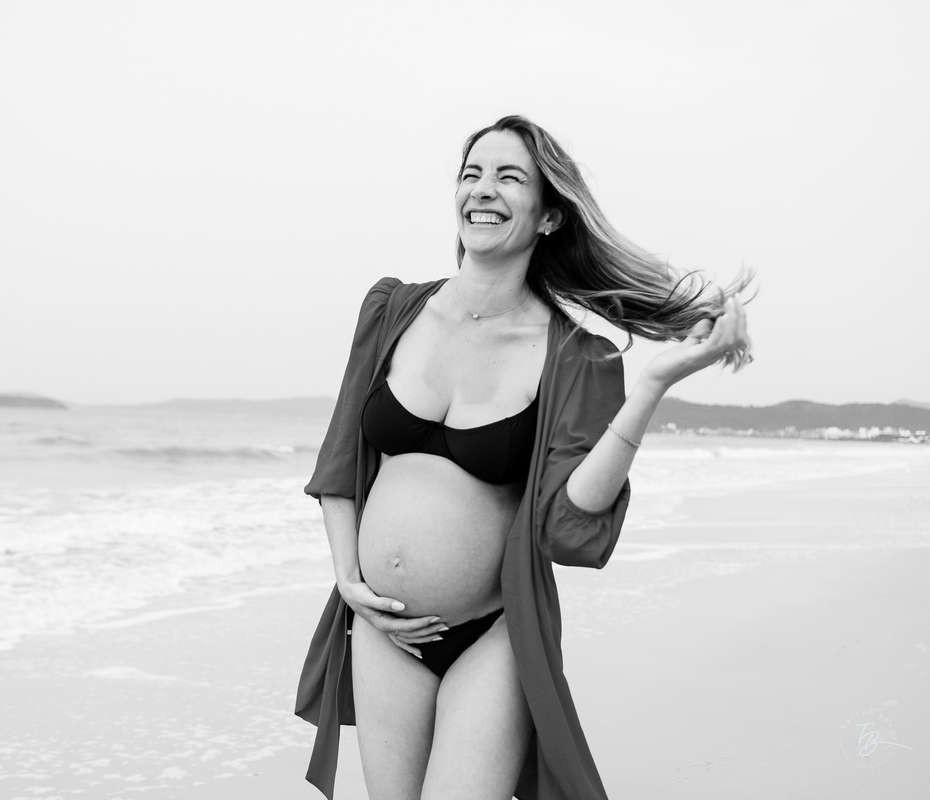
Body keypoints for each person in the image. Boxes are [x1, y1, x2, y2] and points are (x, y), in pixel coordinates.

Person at [295, 115, 752, 800]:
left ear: (546, 218)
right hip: (380, 626)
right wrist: (348, 581)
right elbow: (338, 467)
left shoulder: (575, 356)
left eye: (510, 177)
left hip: (493, 636)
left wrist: (652, 385)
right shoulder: (391, 309)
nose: (483, 190)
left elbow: (567, 526)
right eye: (472, 173)